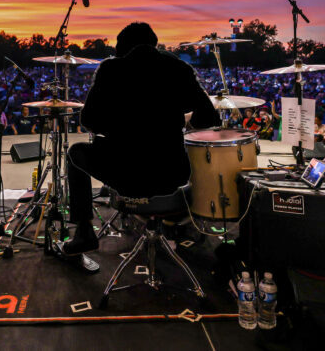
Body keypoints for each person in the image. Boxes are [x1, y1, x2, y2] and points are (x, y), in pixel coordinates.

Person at [64, 22, 219, 255]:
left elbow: (89, 121)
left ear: (123, 46)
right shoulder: (179, 69)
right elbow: (208, 117)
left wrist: (118, 127)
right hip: (171, 174)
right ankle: (176, 223)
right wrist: (182, 121)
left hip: (126, 176)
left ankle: (84, 231)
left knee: (75, 152)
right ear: (153, 44)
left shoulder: (110, 70)